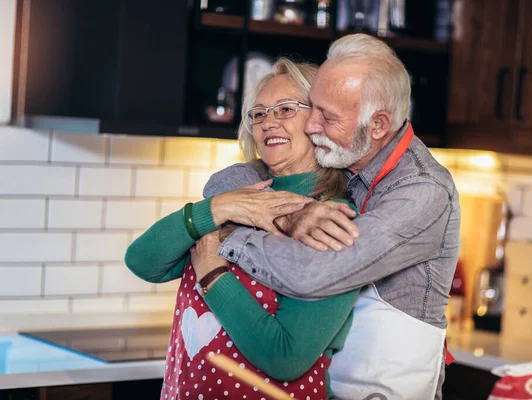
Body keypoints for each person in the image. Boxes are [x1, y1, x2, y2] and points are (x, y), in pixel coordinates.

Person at [203, 33, 461, 400]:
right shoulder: (343, 157)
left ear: (377, 126)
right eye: (312, 109)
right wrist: (278, 214)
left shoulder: (421, 192)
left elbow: (315, 275)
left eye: (327, 116)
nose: (311, 126)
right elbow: (231, 179)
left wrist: (227, 234)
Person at [125, 58, 361, 400]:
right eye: (259, 113)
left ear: (321, 120)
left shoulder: (334, 219)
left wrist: (212, 277)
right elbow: (142, 260)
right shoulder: (238, 195)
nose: (268, 122)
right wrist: (217, 207)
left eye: (285, 109)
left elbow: (286, 356)